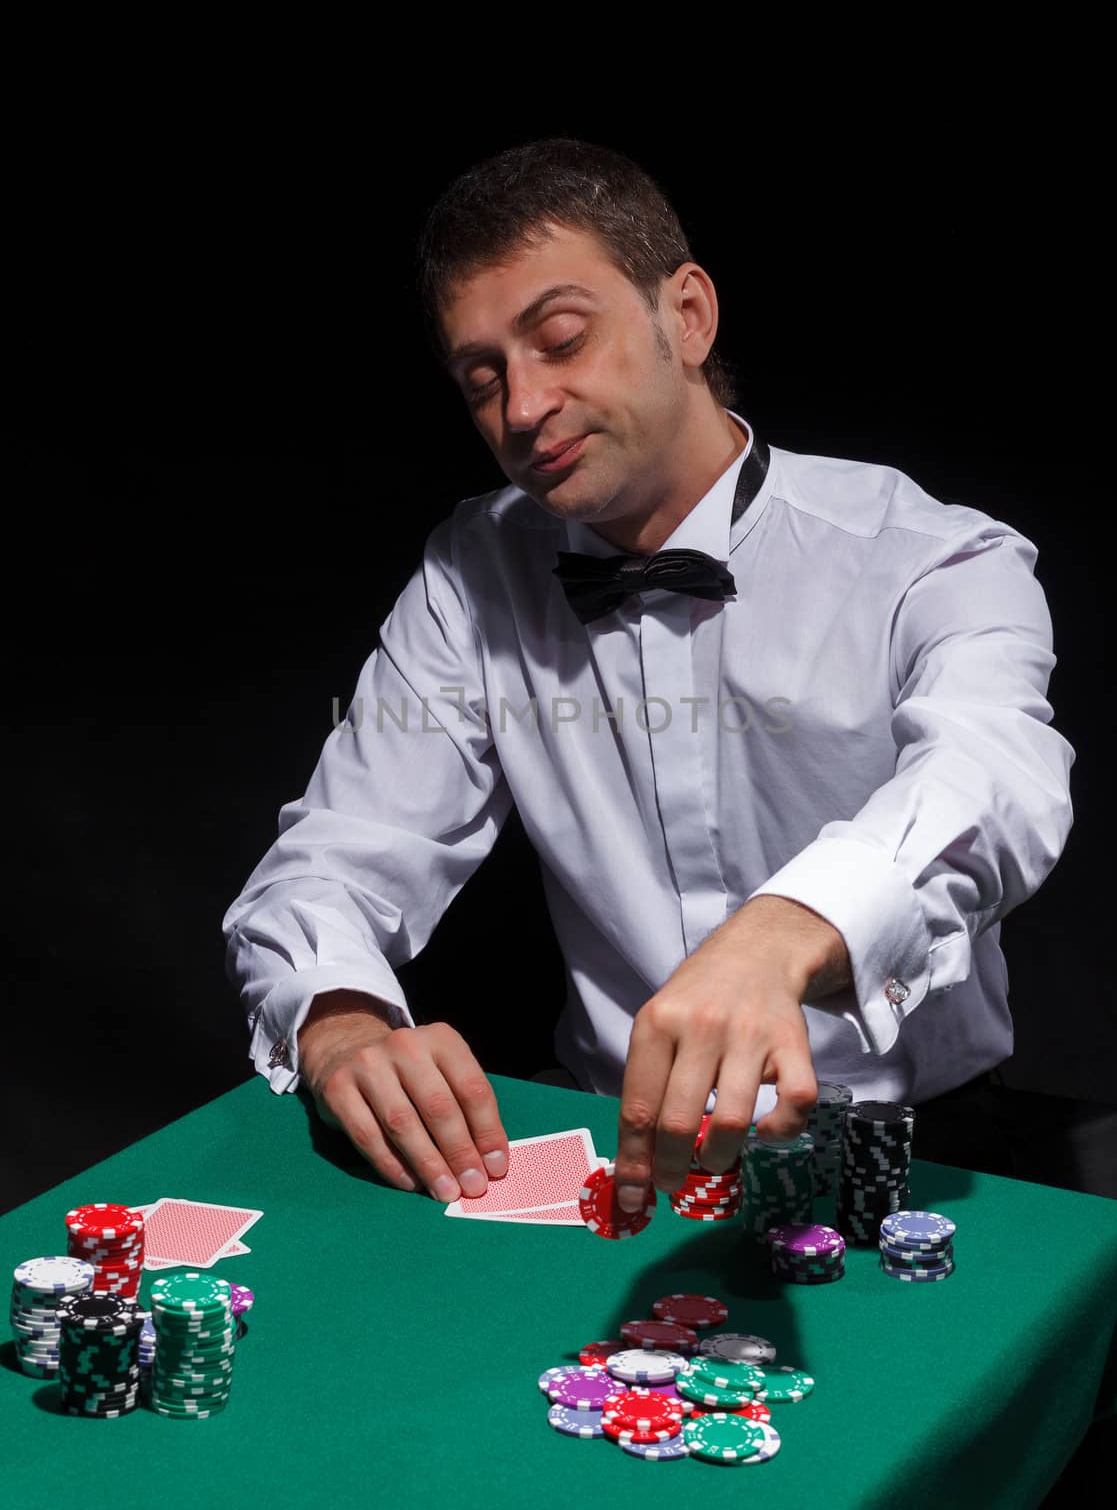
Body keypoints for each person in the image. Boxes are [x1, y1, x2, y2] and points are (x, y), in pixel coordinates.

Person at [221, 136, 1076, 1215]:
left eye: (560, 339)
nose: (522, 409)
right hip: (607, 1161)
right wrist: (339, 1015)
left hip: (919, 1158)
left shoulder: (932, 555)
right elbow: (332, 860)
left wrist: (789, 928)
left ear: (687, 315)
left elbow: (998, 778)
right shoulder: (470, 572)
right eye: (482, 377)